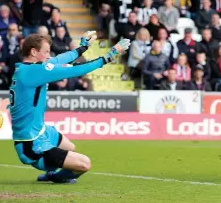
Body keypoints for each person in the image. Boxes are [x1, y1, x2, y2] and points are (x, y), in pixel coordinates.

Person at [9, 31, 130, 183]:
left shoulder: (27, 69)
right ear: (33, 52)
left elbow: (60, 59)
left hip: (41, 131)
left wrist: (82, 48)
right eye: (46, 52)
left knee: (70, 147)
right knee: (84, 164)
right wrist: (107, 57)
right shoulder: (33, 70)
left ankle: (51, 172)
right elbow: (73, 69)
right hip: (30, 142)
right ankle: (55, 177)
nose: (49, 55)